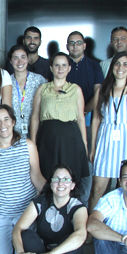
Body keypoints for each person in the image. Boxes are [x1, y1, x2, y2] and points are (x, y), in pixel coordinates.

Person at [11, 165, 88, 254]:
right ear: (51, 184)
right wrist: (20, 252)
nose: (60, 183)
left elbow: (81, 235)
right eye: (56, 179)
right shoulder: (40, 202)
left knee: (72, 240)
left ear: (72, 185)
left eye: (65, 179)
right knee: (26, 235)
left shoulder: (78, 207)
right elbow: (18, 229)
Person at [0, 105, 45, 254]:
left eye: (6, 119)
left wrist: (56, 192)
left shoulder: (28, 145)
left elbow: (37, 177)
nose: (3, 124)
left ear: (13, 122)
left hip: (25, 212)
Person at [89, 51, 127, 212]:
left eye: (125, 64)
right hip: (106, 140)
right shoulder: (102, 90)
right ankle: (91, 224)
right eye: (117, 63)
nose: (121, 67)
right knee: (97, 189)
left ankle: (122, 222)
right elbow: (96, 119)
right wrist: (93, 147)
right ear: (112, 67)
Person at [30, 52, 89, 182]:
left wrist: (84, 143)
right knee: (47, 174)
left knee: (71, 175)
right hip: (47, 138)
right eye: (57, 65)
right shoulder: (43, 89)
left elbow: (80, 118)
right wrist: (33, 143)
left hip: (71, 139)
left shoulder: (76, 89)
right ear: (51, 68)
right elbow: (34, 117)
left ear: (69, 68)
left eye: (64, 65)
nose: (60, 68)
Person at [66, 31, 105, 205]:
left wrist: (83, 111)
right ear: (67, 46)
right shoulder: (62, 64)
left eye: (78, 43)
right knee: (67, 163)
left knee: (87, 164)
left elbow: (99, 92)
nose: (75, 46)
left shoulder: (94, 66)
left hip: (89, 121)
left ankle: (82, 204)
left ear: (84, 45)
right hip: (66, 123)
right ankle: (68, 203)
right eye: (71, 43)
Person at [8, 44, 47, 136]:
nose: (20, 62)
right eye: (15, 58)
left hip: (37, 131)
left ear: (28, 59)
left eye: (23, 57)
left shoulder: (39, 80)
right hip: (13, 132)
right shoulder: (7, 81)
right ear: (10, 61)